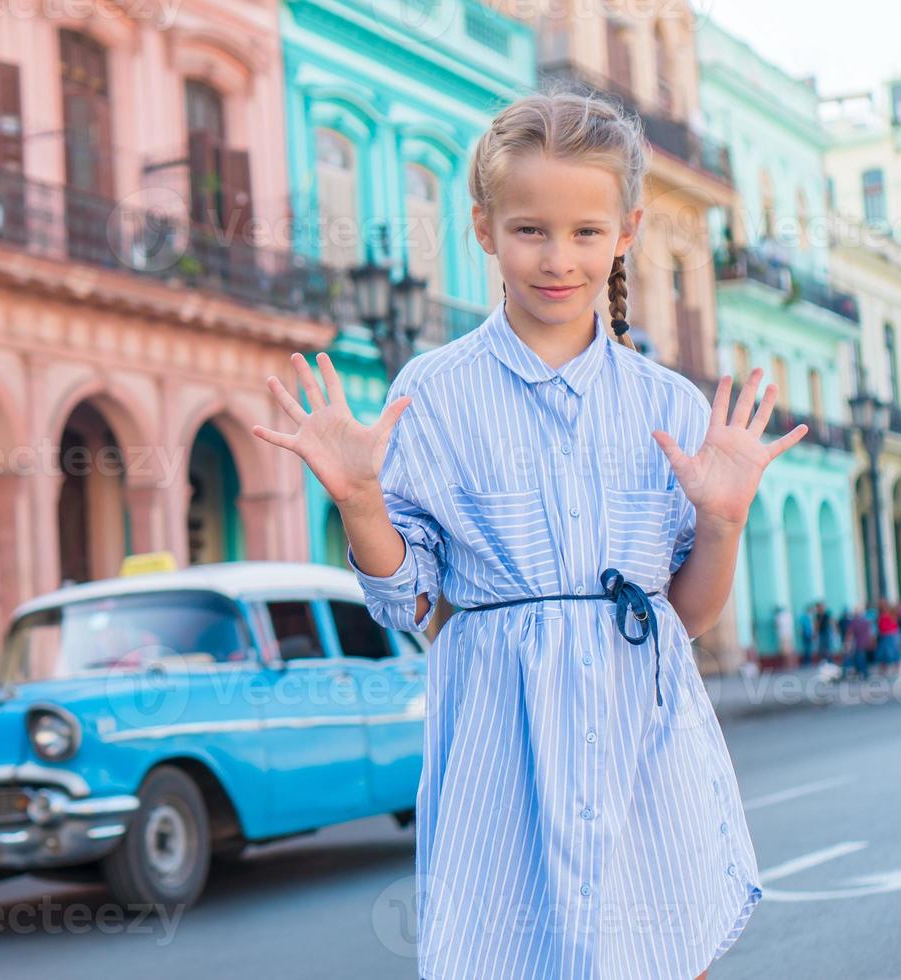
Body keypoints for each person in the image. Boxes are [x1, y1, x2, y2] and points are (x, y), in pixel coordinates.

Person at [251, 90, 803, 980]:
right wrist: (361, 500)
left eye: (586, 233)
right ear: (483, 228)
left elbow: (686, 615)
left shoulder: (666, 404)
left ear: (624, 232)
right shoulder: (429, 393)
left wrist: (723, 521)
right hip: (501, 759)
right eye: (530, 231)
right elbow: (412, 603)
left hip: (645, 752)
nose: (558, 259)